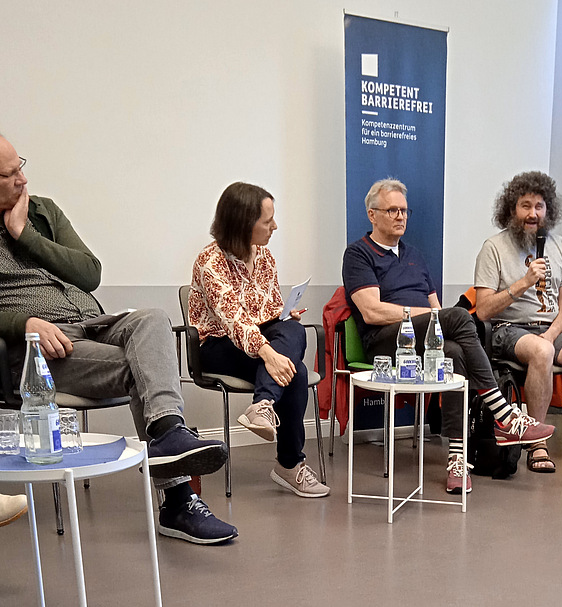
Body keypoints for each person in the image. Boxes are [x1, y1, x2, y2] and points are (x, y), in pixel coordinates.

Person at [0, 135, 237, 544]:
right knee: (140, 370)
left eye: (22, 165)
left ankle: (167, 433)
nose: (23, 179)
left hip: (93, 321)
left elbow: (90, 273)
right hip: (42, 348)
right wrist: (25, 323)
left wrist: (25, 233)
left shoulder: (42, 211)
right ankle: (178, 498)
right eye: (10, 174)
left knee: (152, 319)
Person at [342, 178, 555, 494]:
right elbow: (372, 312)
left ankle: (457, 458)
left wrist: (436, 323)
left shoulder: (415, 255)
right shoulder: (358, 254)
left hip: (420, 340)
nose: (400, 217)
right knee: (456, 316)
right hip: (385, 345)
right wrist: (428, 317)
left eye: (404, 210)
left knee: (453, 352)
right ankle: (504, 414)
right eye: (392, 211)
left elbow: (435, 311)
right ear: (372, 215)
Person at [190, 182, 329, 498]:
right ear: (242, 223)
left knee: (292, 331)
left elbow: (268, 310)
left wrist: (284, 317)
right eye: (268, 221)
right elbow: (234, 319)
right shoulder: (210, 261)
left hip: (258, 341)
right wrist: (268, 353)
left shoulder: (264, 257)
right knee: (296, 370)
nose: (274, 227)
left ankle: (263, 405)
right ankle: (289, 465)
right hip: (216, 345)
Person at [474, 171, 562, 475]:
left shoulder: (560, 246)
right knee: (541, 351)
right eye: (526, 206)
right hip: (507, 329)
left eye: (539, 206)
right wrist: (523, 283)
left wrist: (551, 334)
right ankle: (536, 444)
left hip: (551, 329)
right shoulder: (494, 247)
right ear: (512, 209)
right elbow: (483, 310)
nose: (533, 214)